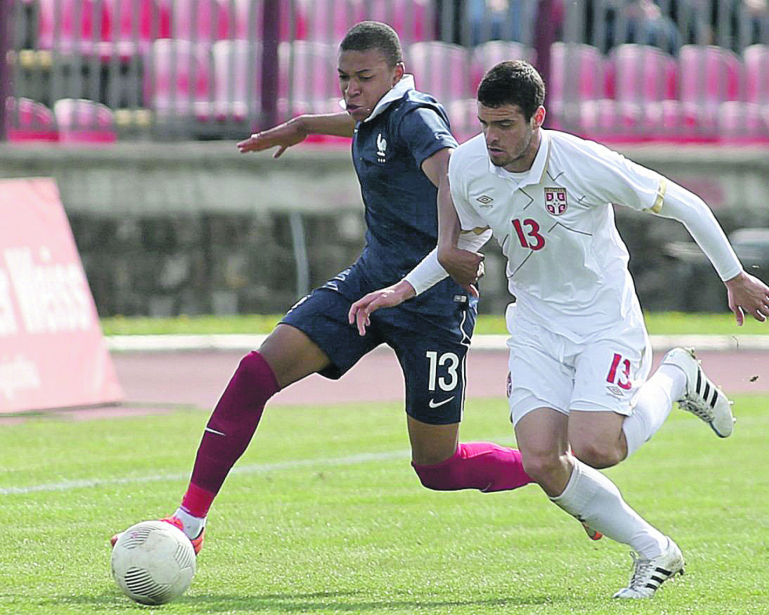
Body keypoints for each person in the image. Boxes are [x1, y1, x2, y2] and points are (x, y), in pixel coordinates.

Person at [349, 60, 769, 599]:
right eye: (484, 123)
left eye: (505, 125)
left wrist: (734, 276)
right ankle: (654, 550)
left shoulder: (582, 161)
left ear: (537, 118)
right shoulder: (468, 166)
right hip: (536, 326)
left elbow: (686, 205)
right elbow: (467, 244)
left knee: (598, 447)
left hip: (603, 320)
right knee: (541, 460)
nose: (491, 137)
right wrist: (401, 289)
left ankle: (677, 378)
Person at [111, 22, 534, 555]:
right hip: (367, 287)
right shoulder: (375, 115)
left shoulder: (417, 117)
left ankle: (550, 469)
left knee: (438, 467)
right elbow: (361, 124)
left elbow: (452, 172)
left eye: (364, 77)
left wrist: (449, 247)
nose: (351, 89)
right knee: (256, 373)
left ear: (397, 75)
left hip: (433, 304)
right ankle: (189, 521)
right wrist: (304, 125)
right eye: (343, 78)